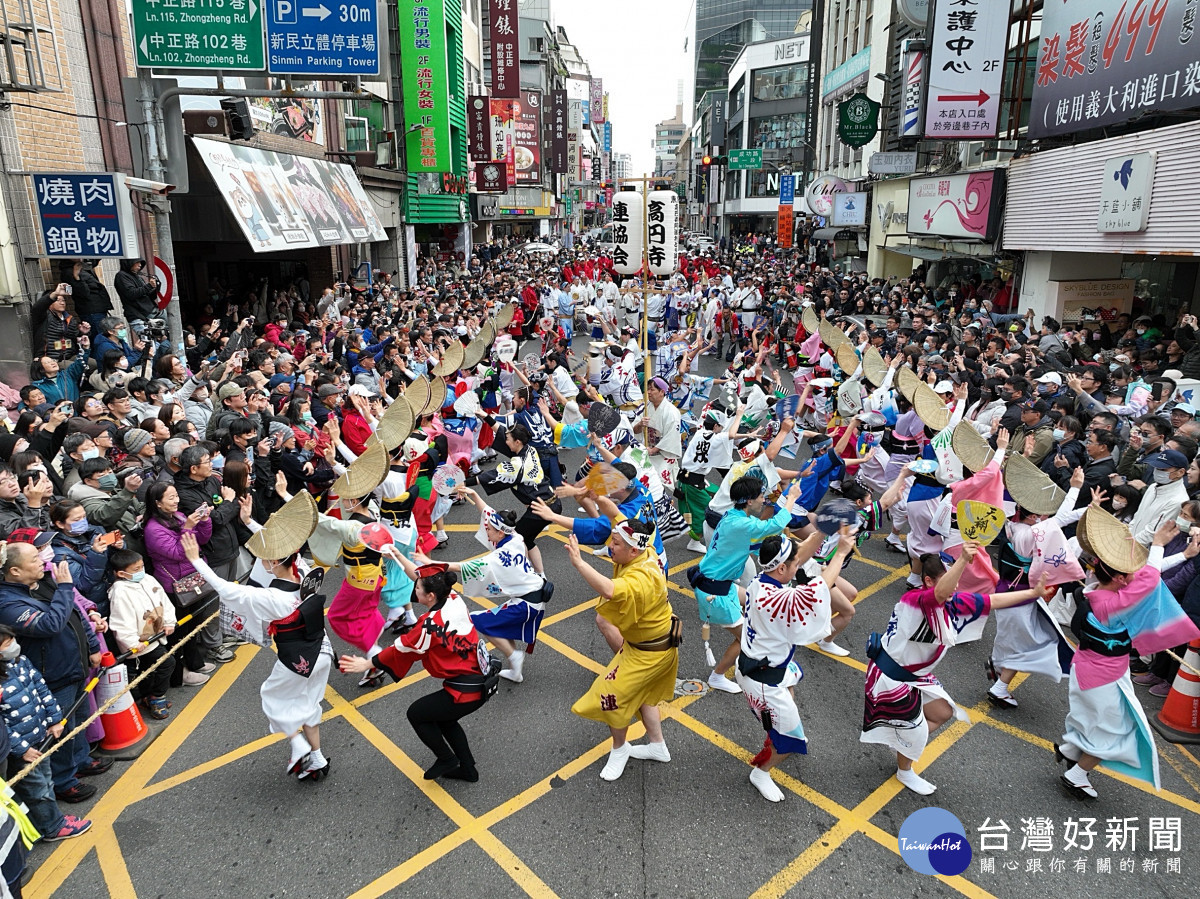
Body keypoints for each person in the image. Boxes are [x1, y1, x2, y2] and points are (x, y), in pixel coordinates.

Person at [861, 542, 1052, 795]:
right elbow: (940, 593)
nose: (956, 586)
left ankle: (901, 741)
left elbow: (992, 600)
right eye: (951, 579)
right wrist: (962, 560)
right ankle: (904, 768)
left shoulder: (950, 601)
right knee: (916, 730)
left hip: (914, 676)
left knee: (941, 713)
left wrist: (1032, 593)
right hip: (891, 677)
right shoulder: (917, 600)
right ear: (928, 581)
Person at [181, 516, 334, 782]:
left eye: (264, 558)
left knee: (271, 698)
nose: (260, 562)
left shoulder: (270, 598)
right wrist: (249, 521)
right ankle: (317, 756)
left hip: (297, 658)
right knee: (308, 703)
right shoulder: (304, 571)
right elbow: (281, 547)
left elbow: (223, 588)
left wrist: (195, 559)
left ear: (275, 562)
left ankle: (298, 744)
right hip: (322, 649)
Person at [339, 557, 496, 783]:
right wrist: (396, 554)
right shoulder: (453, 597)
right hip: (479, 677)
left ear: (430, 596)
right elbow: (421, 576)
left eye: (418, 587)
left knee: (417, 714)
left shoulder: (429, 625)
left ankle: (446, 759)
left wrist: (366, 664)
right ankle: (468, 770)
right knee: (445, 720)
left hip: (465, 690)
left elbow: (399, 649)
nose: (414, 587)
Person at [735, 531, 853, 802]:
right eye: (794, 564)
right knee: (791, 740)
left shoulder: (760, 582)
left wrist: (823, 529)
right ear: (781, 568)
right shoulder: (779, 599)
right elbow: (819, 590)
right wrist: (842, 552)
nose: (799, 565)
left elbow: (800, 555)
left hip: (767, 667)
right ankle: (761, 771)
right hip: (763, 678)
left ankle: (774, 729)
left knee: (787, 700)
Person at [567, 513, 678, 782]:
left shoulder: (642, 577)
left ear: (633, 549)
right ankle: (657, 746)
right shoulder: (645, 547)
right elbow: (618, 515)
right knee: (641, 695)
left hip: (648, 652)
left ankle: (620, 748)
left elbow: (609, 590)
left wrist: (578, 562)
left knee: (611, 698)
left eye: (616, 544)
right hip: (656, 643)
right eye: (612, 541)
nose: (610, 546)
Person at [691, 476, 803, 694]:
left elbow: (747, 546)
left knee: (755, 598)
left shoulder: (732, 516)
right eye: (761, 496)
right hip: (715, 591)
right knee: (747, 641)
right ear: (749, 501)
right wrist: (791, 498)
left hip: (719, 584)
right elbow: (776, 524)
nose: (764, 500)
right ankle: (717, 676)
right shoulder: (741, 523)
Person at [0, 621, 92, 842]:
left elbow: (41, 688)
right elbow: (2, 726)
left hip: (40, 736)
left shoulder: (20, 661)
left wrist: (54, 719)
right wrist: (21, 749)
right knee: (37, 788)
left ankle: (44, 820)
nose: (13, 645)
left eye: (12, 639)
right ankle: (53, 827)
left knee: (46, 780)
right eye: (6, 643)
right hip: (23, 749)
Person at [451, 489, 552, 684]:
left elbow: (467, 567)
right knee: (500, 625)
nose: (486, 531)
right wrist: (474, 493)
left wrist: (434, 564)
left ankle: (515, 657)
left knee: (481, 622)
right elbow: (487, 512)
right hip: (531, 597)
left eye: (489, 529)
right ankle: (515, 668)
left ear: (499, 531)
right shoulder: (514, 537)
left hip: (526, 603)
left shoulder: (501, 556)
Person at [142, 482, 216, 687]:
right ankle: (179, 675)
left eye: (176, 496)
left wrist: (204, 521)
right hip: (175, 585)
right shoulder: (153, 529)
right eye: (171, 498)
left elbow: (200, 539)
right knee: (180, 631)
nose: (177, 501)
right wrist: (189, 527)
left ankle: (195, 663)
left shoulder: (179, 517)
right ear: (157, 503)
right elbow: (178, 553)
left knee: (193, 625)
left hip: (192, 579)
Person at [107, 548, 177, 720]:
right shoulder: (120, 592)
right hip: (140, 642)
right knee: (166, 663)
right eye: (135, 569)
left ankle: (148, 696)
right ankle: (156, 697)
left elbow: (164, 602)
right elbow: (120, 621)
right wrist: (131, 643)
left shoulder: (148, 579)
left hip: (156, 635)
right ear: (121, 573)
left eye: (141, 567)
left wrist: (169, 621)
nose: (141, 571)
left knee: (151, 669)